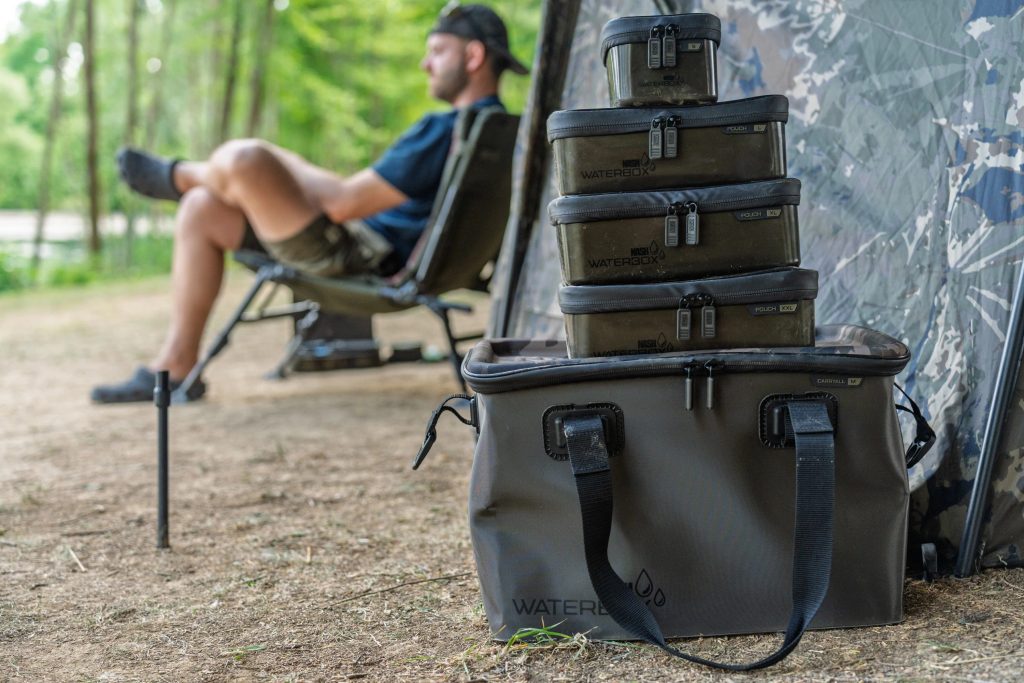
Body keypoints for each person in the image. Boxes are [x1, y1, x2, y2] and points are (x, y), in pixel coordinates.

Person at [91, 3, 527, 403]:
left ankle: (179, 175)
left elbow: (342, 204)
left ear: (473, 56)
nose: (425, 63)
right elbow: (348, 195)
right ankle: (176, 364)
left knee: (245, 160)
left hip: (361, 258)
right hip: (389, 254)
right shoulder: (498, 133)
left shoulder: (445, 130)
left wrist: (275, 164)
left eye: (437, 51)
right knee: (203, 207)